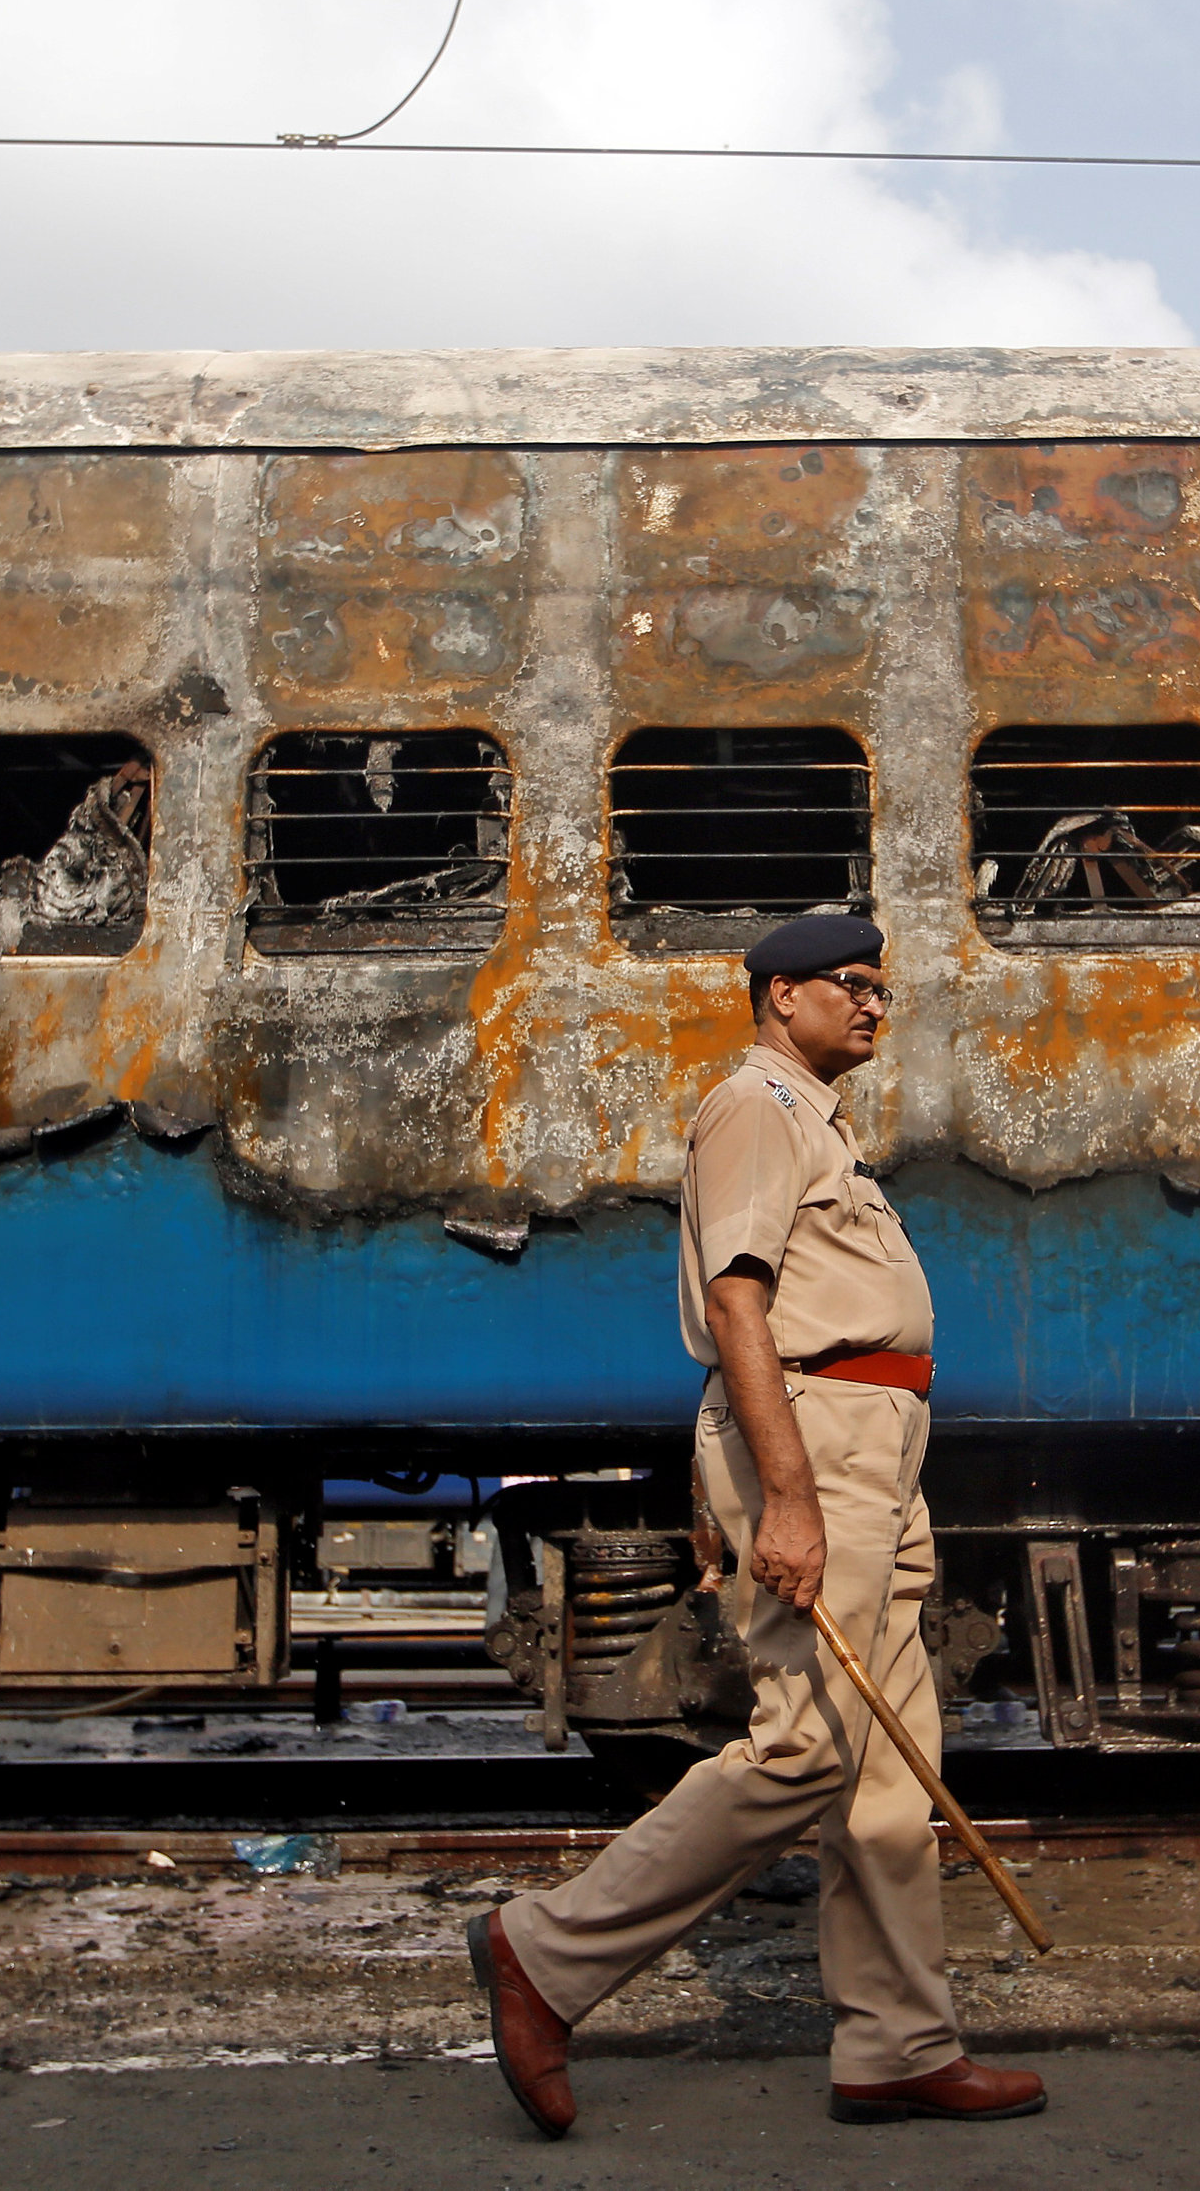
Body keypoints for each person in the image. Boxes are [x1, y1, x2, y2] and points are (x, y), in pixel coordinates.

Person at [467, 913, 1046, 2138]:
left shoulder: (819, 1121)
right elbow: (737, 1302)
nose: (877, 1004)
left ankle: (897, 2046)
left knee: (891, 1767)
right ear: (783, 996)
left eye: (884, 986)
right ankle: (545, 1951)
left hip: (871, 1448)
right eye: (855, 984)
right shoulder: (752, 1106)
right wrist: (778, 1493)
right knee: (806, 1748)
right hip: (817, 1443)